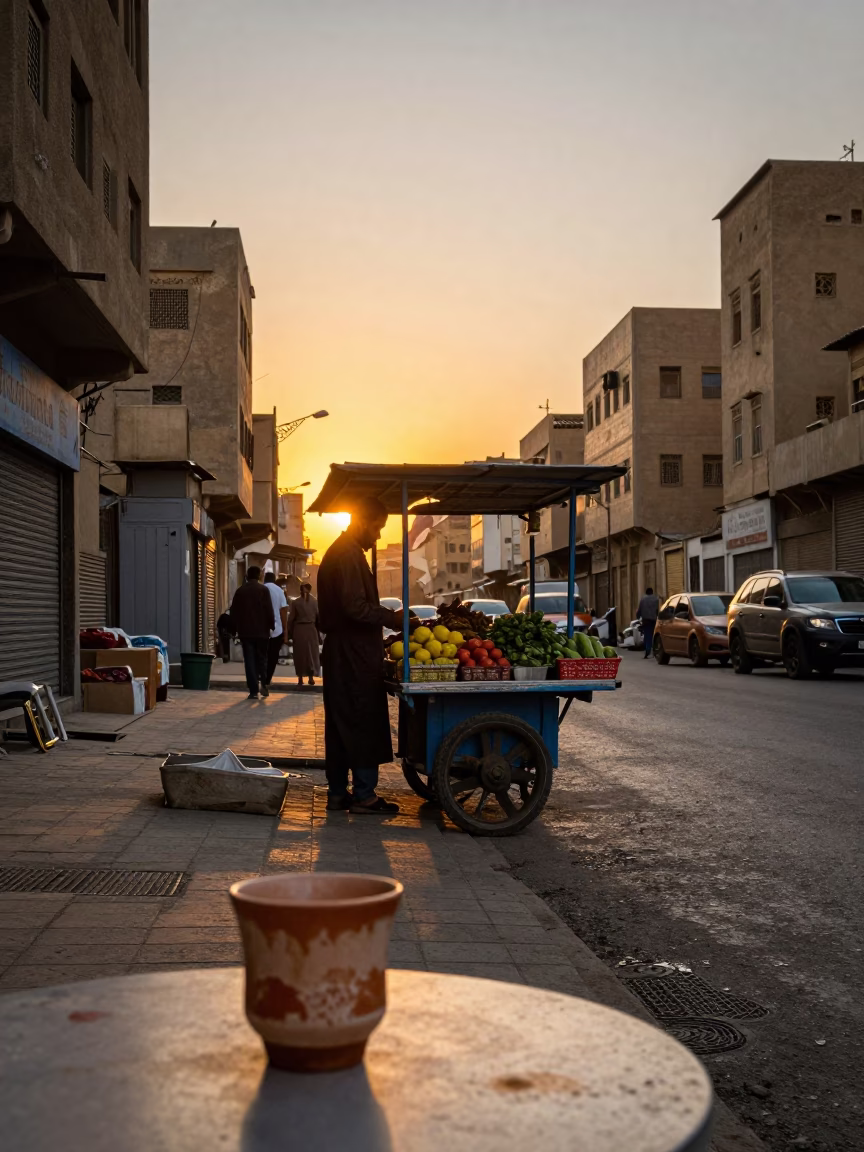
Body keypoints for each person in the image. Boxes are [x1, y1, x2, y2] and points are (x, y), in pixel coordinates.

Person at [317, 497, 403, 815]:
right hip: (352, 655)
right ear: (363, 522)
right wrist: (391, 618)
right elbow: (355, 607)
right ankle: (364, 795)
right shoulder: (347, 555)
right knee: (361, 719)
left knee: (342, 724)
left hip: (347, 653)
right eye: (378, 528)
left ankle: (339, 793)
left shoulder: (345, 552)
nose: (378, 536)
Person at [229, 566, 275, 698]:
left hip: (246, 632)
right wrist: (271, 625)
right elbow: (269, 609)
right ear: (260, 575)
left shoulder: (241, 591)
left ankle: (253, 691)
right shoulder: (263, 590)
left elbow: (234, 612)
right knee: (262, 658)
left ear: (247, 576)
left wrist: (233, 629)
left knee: (249, 660)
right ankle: (264, 683)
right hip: (262, 632)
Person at [287, 582, 321, 688]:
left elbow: (291, 619)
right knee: (312, 654)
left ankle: (300, 678)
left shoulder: (296, 602)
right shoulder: (315, 602)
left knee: (300, 655)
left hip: (299, 631)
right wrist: (319, 634)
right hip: (311, 630)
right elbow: (318, 620)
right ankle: (311, 677)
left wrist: (289, 633)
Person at [263, 572, 289, 687]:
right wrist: (286, 631)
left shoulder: (261, 588)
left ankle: (261, 675)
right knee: (273, 656)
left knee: (262, 654)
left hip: (261, 629)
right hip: (277, 629)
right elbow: (283, 611)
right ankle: (267, 679)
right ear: (274, 580)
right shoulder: (279, 591)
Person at [636, 585, 660, 659]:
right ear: (652, 592)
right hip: (654, 620)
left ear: (646, 593)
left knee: (647, 635)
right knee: (654, 635)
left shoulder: (643, 599)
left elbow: (639, 610)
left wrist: (638, 617)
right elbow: (657, 610)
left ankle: (647, 650)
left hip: (646, 620)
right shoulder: (656, 599)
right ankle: (654, 651)